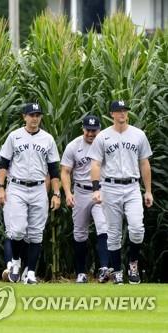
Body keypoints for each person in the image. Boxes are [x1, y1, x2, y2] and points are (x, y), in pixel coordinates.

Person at [88, 100, 153, 285]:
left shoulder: (138, 135)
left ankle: (133, 264)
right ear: (111, 114)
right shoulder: (103, 137)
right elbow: (96, 164)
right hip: (110, 187)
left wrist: (148, 191)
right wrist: (96, 189)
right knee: (114, 233)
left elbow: (144, 163)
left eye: (125, 110)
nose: (122, 113)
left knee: (137, 229)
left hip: (132, 186)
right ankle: (117, 271)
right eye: (118, 110)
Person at [0, 103, 61, 284]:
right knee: (16, 231)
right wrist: (0, 187)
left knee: (35, 234)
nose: (35, 118)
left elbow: (54, 169)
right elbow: (3, 164)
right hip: (16, 187)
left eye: (38, 115)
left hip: (39, 187)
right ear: (24, 117)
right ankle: (16, 261)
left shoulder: (47, 139)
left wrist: (56, 193)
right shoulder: (14, 136)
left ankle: (30, 273)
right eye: (31, 115)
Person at [61, 115, 110, 283]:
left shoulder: (105, 144)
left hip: (101, 191)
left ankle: (104, 269)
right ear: (83, 129)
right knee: (80, 233)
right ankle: (81, 273)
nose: (91, 134)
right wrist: (68, 193)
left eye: (94, 130)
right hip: (81, 191)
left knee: (103, 227)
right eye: (88, 130)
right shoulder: (73, 146)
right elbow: (65, 171)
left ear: (99, 129)